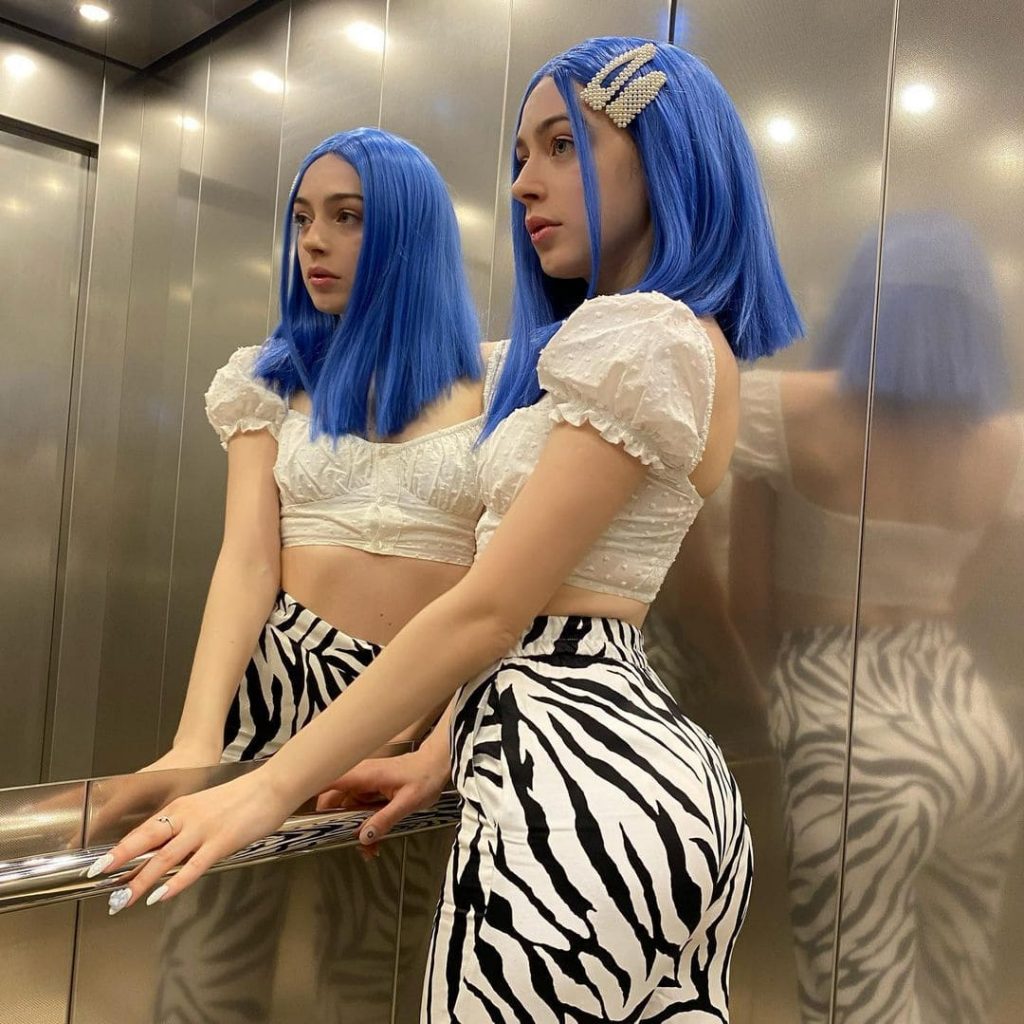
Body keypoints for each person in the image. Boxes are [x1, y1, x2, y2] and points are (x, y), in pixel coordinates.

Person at [96, 38, 802, 1021]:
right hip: (595, 761)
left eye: (563, 144)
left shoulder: (643, 337)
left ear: (666, 155)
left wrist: (263, 789)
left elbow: (492, 611)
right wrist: (436, 754)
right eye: (521, 155)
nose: (524, 183)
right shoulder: (673, 341)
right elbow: (552, 607)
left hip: (567, 792)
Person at [117, 126, 502, 1022]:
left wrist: (446, 728)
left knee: (375, 968)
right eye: (302, 219)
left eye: (347, 216)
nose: (313, 241)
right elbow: (248, 560)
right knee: (213, 951)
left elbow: (505, 587)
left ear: (408, 230)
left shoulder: (498, 381)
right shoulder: (268, 378)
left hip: (424, 704)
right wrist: (196, 737)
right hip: (280, 676)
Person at [730, 211, 1024, 1023]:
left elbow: (746, 601)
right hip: (969, 723)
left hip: (842, 719)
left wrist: (766, 700)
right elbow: (967, 584)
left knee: (855, 983)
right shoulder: (1006, 441)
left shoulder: (782, 411)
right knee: (962, 976)